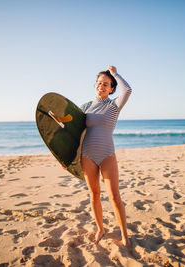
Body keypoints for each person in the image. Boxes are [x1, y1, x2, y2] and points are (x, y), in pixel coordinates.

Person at [80, 65, 132, 246]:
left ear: (111, 89)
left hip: (107, 154)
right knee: (94, 194)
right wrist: (67, 160)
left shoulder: (114, 105)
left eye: (106, 84)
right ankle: (100, 229)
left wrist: (115, 73)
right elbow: (73, 135)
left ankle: (125, 235)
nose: (101, 86)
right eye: (99, 83)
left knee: (114, 196)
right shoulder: (85, 107)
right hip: (87, 155)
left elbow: (128, 89)